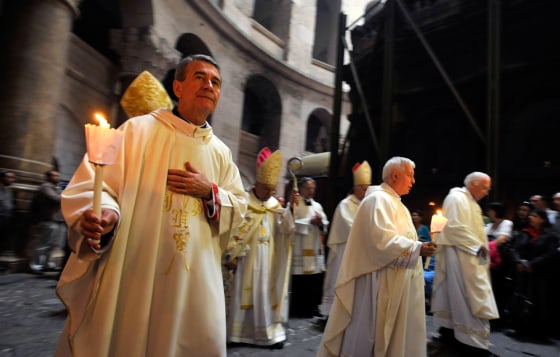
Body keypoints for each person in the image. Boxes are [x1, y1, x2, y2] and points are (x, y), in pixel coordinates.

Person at [55, 54, 248, 357]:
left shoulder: (222, 153)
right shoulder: (136, 131)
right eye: (199, 77)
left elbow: (241, 208)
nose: (208, 86)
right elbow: (97, 183)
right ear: (178, 87)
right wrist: (107, 213)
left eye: (215, 82)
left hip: (195, 279)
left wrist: (209, 192)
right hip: (134, 269)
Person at [318, 157, 437, 357]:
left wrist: (420, 247)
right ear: (395, 175)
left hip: (395, 281)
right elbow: (380, 241)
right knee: (372, 335)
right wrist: (417, 248)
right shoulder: (378, 200)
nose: (413, 181)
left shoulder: (395, 202)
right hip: (378, 284)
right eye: (410, 175)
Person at [224, 147, 296, 348]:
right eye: (266, 189)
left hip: (268, 256)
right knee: (243, 292)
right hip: (247, 256)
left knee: (264, 292)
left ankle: (266, 334)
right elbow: (233, 229)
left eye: (272, 190)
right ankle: (238, 334)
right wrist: (232, 255)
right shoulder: (244, 201)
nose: (269, 194)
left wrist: (292, 210)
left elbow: (286, 230)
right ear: (256, 184)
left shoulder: (274, 204)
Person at [430, 172, 499, 356]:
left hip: (469, 257)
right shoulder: (456, 198)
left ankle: (454, 336)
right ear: (474, 184)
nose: (487, 191)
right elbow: (453, 226)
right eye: (485, 187)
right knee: (467, 299)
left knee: (464, 298)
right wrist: (477, 246)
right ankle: (472, 344)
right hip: (459, 257)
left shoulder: (472, 203)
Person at [318, 161, 371, 320]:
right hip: (345, 251)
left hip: (360, 252)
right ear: (355, 188)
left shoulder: (367, 204)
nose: (365, 191)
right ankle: (334, 314)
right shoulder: (345, 205)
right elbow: (350, 227)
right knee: (340, 279)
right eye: (363, 188)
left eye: (367, 188)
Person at [504, 208, 559, 340]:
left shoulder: (550, 236)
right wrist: (519, 262)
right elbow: (514, 249)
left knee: (538, 299)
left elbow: (550, 254)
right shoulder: (524, 233)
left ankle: (536, 330)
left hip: (539, 273)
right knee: (520, 297)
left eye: (534, 216)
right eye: (531, 215)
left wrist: (532, 264)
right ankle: (520, 326)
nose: (531, 218)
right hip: (523, 271)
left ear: (543, 219)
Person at [289, 177, 329, 318]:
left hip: (315, 248)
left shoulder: (317, 206)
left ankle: (313, 307)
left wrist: (320, 223)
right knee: (301, 281)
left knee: (314, 280)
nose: (311, 191)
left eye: (313, 188)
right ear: (301, 189)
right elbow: (290, 224)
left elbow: (325, 224)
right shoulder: (295, 205)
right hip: (300, 248)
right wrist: (309, 222)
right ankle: (299, 309)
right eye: (308, 188)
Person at [28, 170, 65, 272]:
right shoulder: (45, 187)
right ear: (48, 177)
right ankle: (36, 265)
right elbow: (56, 198)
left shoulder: (57, 187)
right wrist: (67, 194)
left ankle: (48, 264)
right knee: (43, 244)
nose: (57, 177)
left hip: (57, 220)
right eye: (54, 176)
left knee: (53, 244)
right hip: (48, 219)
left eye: (58, 175)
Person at [484, 202, 513, 323]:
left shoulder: (507, 223)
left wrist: (487, 246)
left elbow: (502, 239)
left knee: (498, 288)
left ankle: (498, 317)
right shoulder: (488, 225)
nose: (488, 213)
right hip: (487, 260)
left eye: (490, 210)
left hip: (500, 261)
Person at [0, 170, 16, 254]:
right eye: (9, 177)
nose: (11, 179)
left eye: (12, 177)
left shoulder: (8, 189)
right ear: (2, 178)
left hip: (6, 218)